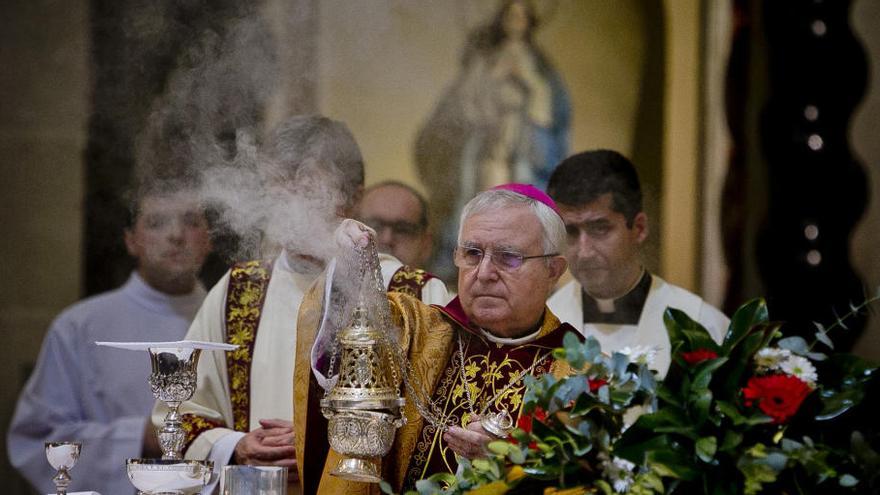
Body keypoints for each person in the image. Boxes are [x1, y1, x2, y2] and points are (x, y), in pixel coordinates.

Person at [156, 115, 448, 494]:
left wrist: (324, 447)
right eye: (277, 190)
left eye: (307, 190)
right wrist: (238, 447)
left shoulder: (412, 295)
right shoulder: (239, 291)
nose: (287, 207)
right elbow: (179, 414)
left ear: (354, 196)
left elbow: (439, 427)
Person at [293, 184, 576, 494]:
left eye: (508, 257)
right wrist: (346, 269)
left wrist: (515, 466)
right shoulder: (416, 330)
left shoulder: (579, 377)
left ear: (553, 270)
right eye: (472, 253)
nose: (483, 273)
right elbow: (337, 357)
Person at [7, 182, 212, 494]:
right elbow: (37, 440)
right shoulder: (80, 326)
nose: (176, 235)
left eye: (191, 222)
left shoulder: (232, 321)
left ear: (210, 238)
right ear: (131, 240)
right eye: (156, 223)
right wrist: (138, 437)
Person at [415, 0, 570, 281]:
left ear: (530, 22)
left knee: (522, 210)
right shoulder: (486, 60)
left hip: (522, 149)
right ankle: (472, 264)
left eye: (522, 17)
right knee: (483, 202)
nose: (516, 22)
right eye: (511, 15)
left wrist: (530, 82)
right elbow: (466, 103)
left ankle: (518, 265)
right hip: (488, 149)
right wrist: (493, 79)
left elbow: (549, 112)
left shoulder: (539, 64)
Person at [546, 150, 729, 378]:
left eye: (600, 228)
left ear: (639, 228)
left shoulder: (701, 326)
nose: (584, 252)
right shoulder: (542, 327)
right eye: (570, 232)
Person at [358, 181, 433, 268]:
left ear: (426, 245)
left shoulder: (434, 282)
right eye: (375, 226)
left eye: (403, 230)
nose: (387, 239)